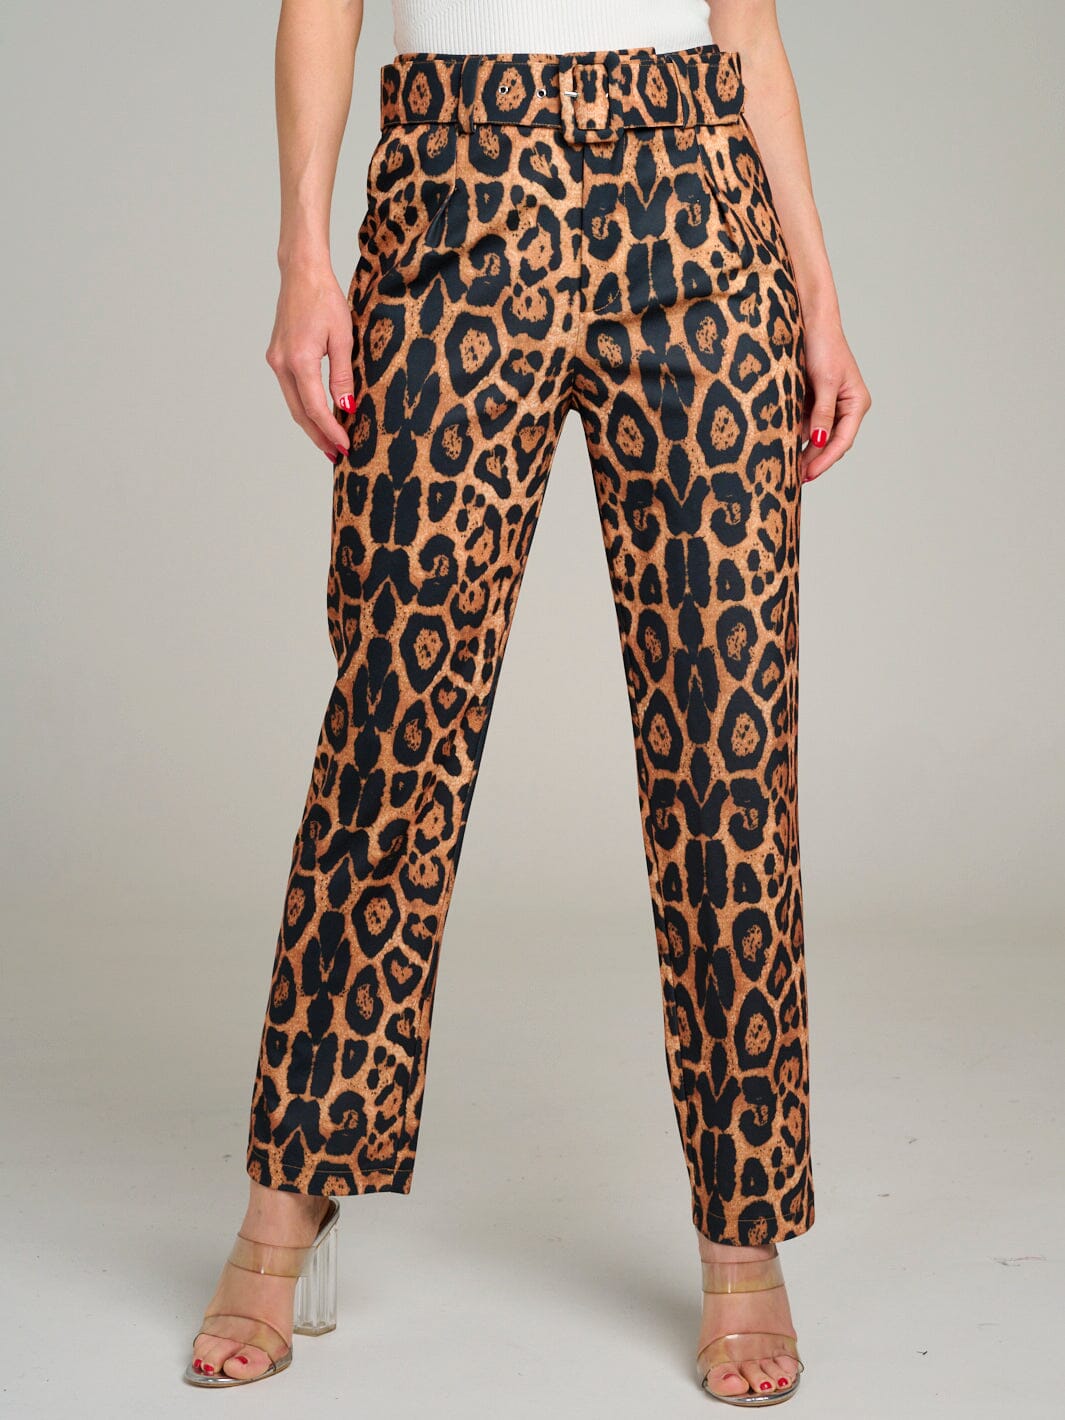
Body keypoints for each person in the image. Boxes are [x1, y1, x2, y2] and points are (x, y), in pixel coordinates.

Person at [184, 0, 871, 1404]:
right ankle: (291, 1190)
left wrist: (818, 293)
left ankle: (743, 1235)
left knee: (727, 750)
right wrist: (303, 256)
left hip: (695, 203)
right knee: (392, 729)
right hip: (457, 195)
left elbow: (745, 27)